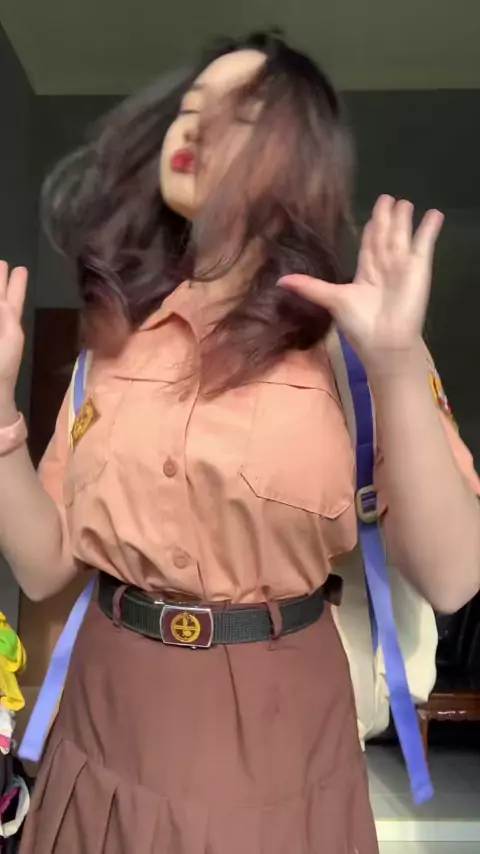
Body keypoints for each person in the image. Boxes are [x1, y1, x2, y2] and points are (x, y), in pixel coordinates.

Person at [0, 30, 479, 854]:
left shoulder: (359, 338)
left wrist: (398, 361)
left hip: (281, 730)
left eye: (240, 115)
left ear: (299, 157)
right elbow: (45, 565)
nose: (195, 127)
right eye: (189, 110)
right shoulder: (113, 341)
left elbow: (454, 574)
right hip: (105, 716)